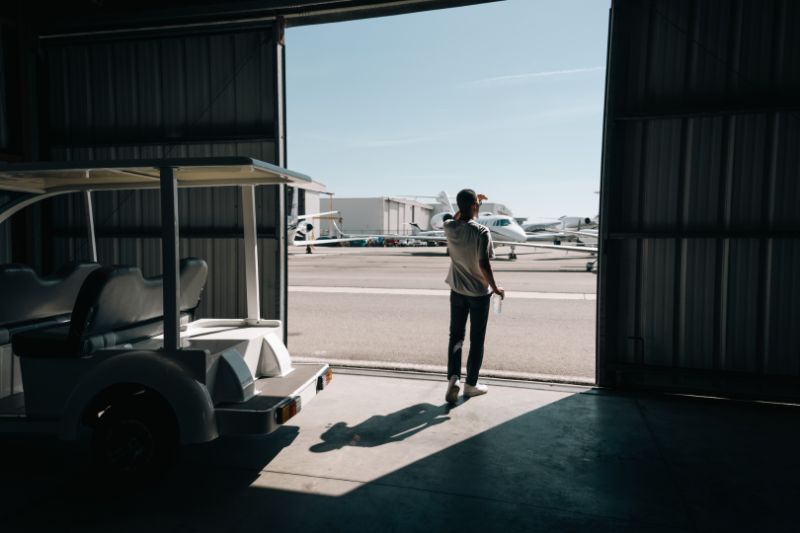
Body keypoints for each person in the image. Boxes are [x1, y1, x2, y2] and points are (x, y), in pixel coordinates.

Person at [443, 189, 504, 403]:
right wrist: (495, 288)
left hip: (457, 292)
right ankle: (471, 384)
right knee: (477, 340)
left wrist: (471, 204)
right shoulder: (482, 232)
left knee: (456, 336)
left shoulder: (449, 227)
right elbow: (484, 264)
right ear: (474, 207)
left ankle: (453, 378)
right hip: (478, 294)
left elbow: (457, 217)